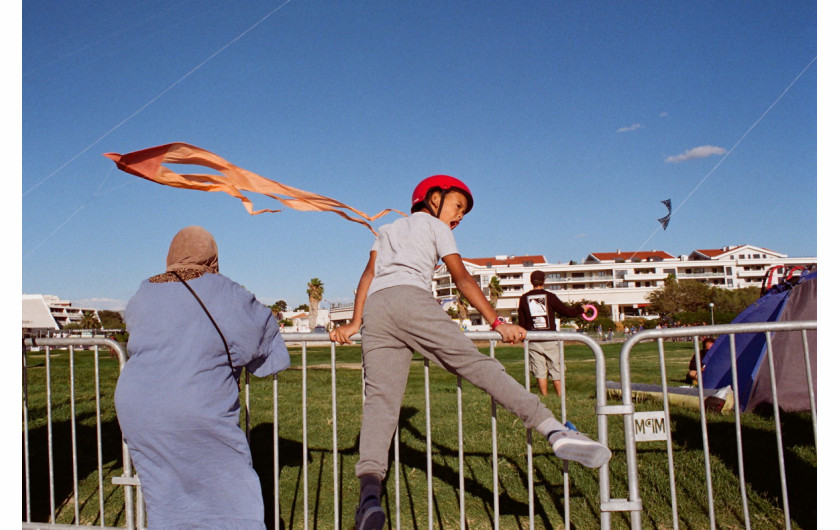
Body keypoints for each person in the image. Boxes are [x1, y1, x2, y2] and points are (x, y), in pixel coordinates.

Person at [330, 176, 611, 530]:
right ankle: (554, 430)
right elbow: (461, 277)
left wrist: (355, 323)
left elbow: (368, 275)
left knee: (380, 401)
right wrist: (497, 323)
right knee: (478, 365)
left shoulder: (386, 230)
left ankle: (369, 497)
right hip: (410, 300)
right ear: (434, 199)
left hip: (376, 310)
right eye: (457, 206)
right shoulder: (435, 226)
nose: (460, 216)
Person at [114, 226, 291, 529]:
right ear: (213, 260)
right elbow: (263, 344)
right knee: (233, 495)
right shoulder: (226, 291)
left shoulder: (144, 292)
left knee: (166, 496)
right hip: (193, 405)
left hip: (137, 409)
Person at [517, 270, 587, 397]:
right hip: (550, 338)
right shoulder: (550, 296)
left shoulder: (523, 299)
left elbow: (522, 322)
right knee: (555, 368)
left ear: (531, 282)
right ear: (544, 281)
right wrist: (582, 309)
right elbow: (567, 312)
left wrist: (523, 340)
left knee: (539, 370)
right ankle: (560, 396)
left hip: (532, 339)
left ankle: (544, 397)